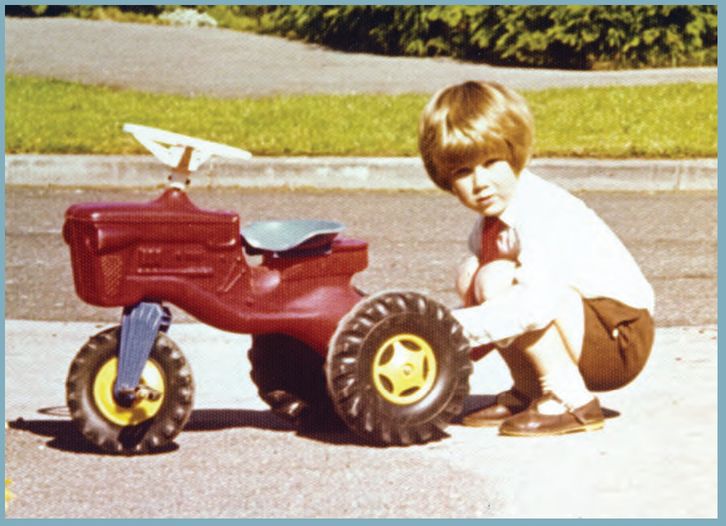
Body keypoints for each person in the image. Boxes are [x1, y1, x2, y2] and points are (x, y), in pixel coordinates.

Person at [417, 80, 655, 436]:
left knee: (496, 278)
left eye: (492, 161)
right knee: (473, 273)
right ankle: (530, 390)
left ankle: (570, 399)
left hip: (620, 335)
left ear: (515, 155)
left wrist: (451, 329)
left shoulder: (541, 212)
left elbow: (535, 307)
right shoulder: (489, 225)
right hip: (582, 324)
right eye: (463, 171)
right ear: (446, 179)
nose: (480, 182)